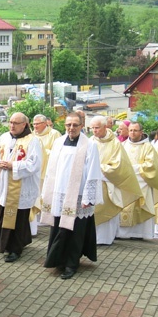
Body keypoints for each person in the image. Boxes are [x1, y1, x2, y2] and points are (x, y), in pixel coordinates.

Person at [41, 112, 103, 279]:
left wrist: (88, 197)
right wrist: (47, 191)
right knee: (59, 228)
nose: (71, 128)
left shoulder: (89, 145)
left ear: (82, 126)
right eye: (68, 125)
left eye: (75, 125)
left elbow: (93, 171)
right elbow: (51, 170)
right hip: (59, 194)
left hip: (77, 195)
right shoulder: (58, 142)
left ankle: (71, 263)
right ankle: (58, 260)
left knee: (75, 232)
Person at [0, 112, 42, 263]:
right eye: (10, 122)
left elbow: (35, 164)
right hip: (6, 185)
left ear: (24, 124)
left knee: (19, 219)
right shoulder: (4, 137)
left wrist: (13, 165)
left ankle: (15, 249)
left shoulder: (32, 141)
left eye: (16, 123)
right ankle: (4, 244)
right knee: (4, 213)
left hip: (22, 187)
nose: (12, 125)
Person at [89, 116, 142, 245]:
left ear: (105, 127)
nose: (94, 131)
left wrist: (100, 168)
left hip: (107, 183)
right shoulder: (90, 141)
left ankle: (105, 239)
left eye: (97, 128)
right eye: (92, 128)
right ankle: (90, 238)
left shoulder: (115, 143)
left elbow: (119, 166)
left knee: (106, 209)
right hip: (91, 182)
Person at [119, 122, 158, 239]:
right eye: (131, 130)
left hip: (141, 182)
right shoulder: (123, 145)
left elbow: (151, 165)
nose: (132, 133)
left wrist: (133, 169)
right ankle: (121, 233)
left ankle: (139, 233)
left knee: (140, 207)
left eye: (135, 130)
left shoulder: (148, 147)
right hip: (125, 183)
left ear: (141, 132)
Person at [30, 114, 61, 235]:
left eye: (37, 124)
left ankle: (46, 217)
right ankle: (35, 217)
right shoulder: (32, 135)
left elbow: (57, 152)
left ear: (44, 124)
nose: (35, 126)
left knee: (47, 193)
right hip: (36, 171)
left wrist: (43, 151)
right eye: (34, 124)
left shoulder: (54, 134)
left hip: (48, 170)